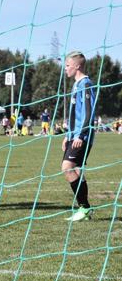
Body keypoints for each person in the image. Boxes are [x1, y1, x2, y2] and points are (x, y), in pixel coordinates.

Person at [61, 51, 96, 221]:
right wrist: (67, 135)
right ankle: (85, 210)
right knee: (75, 169)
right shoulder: (76, 85)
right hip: (73, 135)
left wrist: (80, 135)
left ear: (77, 66)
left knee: (67, 167)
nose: (65, 69)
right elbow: (75, 114)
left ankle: (85, 208)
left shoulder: (86, 84)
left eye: (67, 65)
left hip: (82, 136)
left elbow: (89, 113)